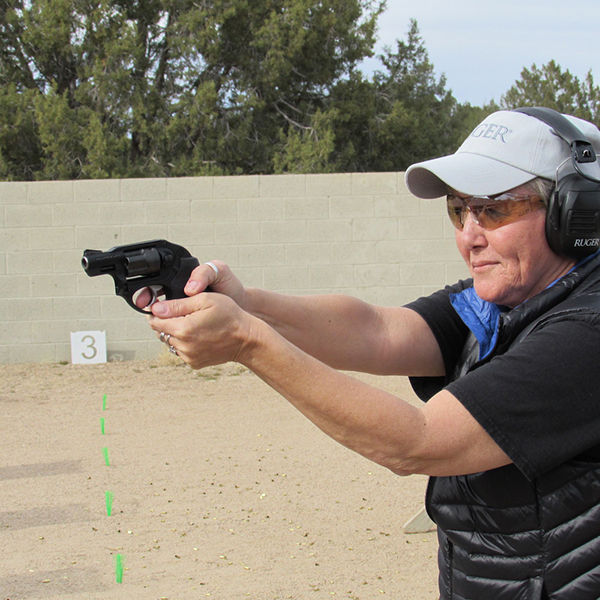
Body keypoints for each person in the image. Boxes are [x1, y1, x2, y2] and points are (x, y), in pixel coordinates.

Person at [143, 107, 600, 599]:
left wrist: (248, 341)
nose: (469, 235)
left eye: (493, 209)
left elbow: (418, 441)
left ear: (574, 214)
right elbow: (375, 330)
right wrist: (247, 304)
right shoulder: (503, 302)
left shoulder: (587, 328)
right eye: (458, 209)